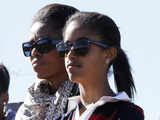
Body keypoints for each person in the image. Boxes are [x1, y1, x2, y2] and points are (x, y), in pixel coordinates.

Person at [56, 11, 144, 120]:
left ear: (109, 54)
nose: (70, 54)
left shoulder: (127, 114)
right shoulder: (62, 118)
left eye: (81, 46)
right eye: (65, 47)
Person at [15, 4, 79, 120]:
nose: (34, 52)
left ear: (67, 46)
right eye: (29, 46)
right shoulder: (28, 105)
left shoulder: (88, 102)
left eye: (43, 45)